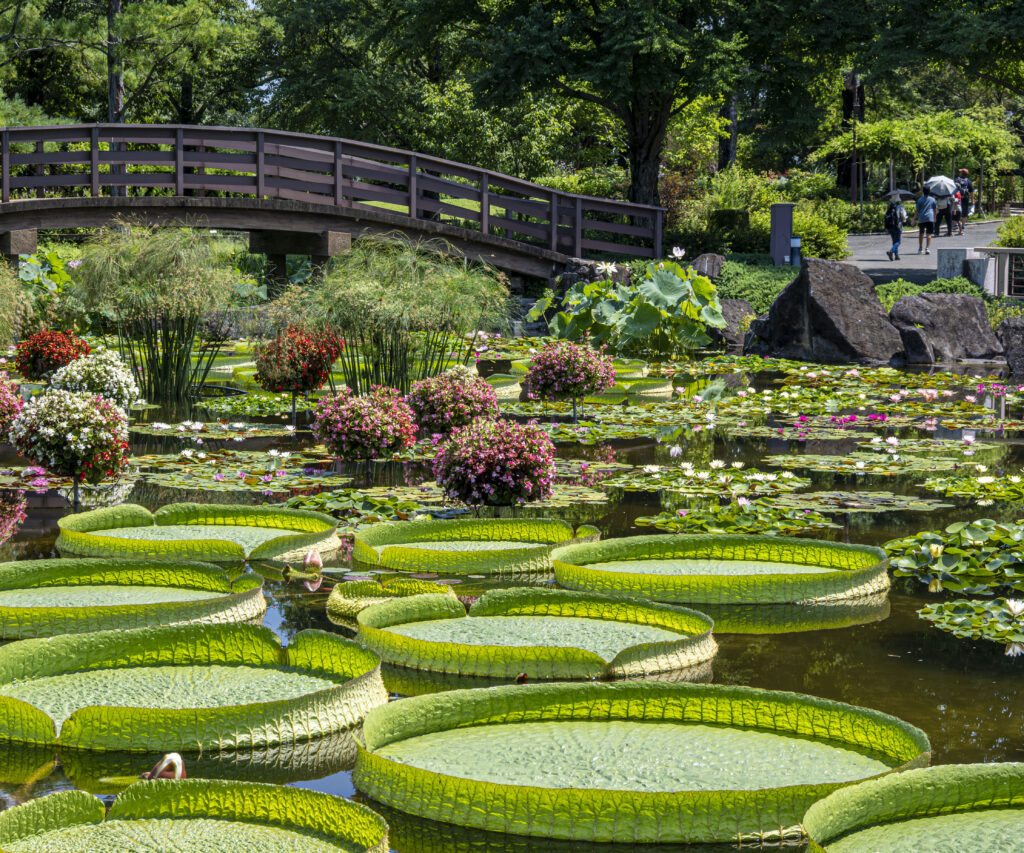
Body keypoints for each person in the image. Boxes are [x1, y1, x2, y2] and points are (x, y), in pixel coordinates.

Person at [913, 187, 937, 254]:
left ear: (923, 192)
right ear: (929, 192)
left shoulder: (920, 200)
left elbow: (917, 211)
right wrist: (935, 218)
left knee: (921, 233)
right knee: (929, 234)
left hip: (922, 218)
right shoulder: (933, 200)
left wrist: (914, 219)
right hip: (930, 218)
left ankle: (920, 248)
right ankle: (927, 248)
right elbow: (935, 210)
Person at [884, 194, 907, 261]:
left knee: (894, 241)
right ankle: (891, 252)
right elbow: (903, 216)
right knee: (898, 242)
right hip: (897, 226)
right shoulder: (900, 206)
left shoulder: (889, 206)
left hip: (890, 226)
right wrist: (904, 219)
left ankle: (896, 256)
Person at [955, 169, 974, 233]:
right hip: (965, 198)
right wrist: (972, 200)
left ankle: (956, 224)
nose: (959, 172)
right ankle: (962, 226)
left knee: (956, 210)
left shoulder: (956, 180)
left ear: (961, 173)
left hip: (957, 198)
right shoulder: (968, 181)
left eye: (960, 172)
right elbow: (972, 191)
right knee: (965, 212)